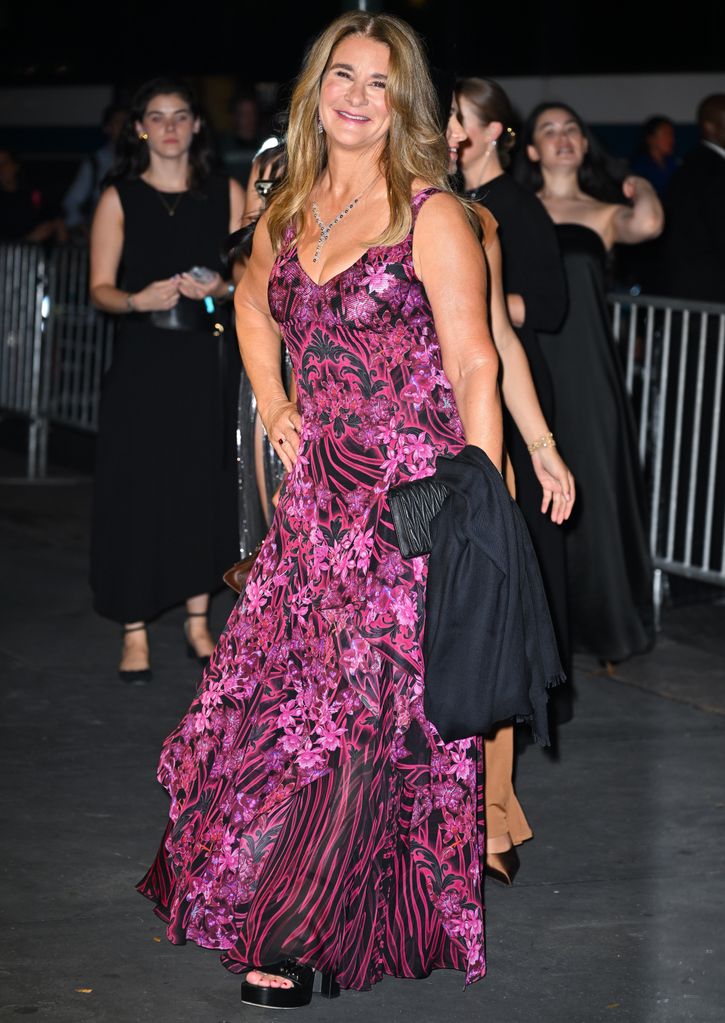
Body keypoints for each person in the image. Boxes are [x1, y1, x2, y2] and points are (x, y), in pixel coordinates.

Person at [138, 11, 569, 1008]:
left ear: (402, 102)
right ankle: (316, 899)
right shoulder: (286, 209)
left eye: (380, 82)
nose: (358, 97)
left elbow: (473, 358)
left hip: (407, 507)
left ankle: (295, 931)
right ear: (314, 89)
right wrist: (280, 402)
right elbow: (250, 306)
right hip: (314, 507)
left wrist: (477, 494)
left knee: (364, 715)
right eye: (344, 75)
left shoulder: (433, 215)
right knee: (287, 708)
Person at [445, 95, 575, 883]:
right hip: (374, 457)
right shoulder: (351, 212)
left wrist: (543, 447)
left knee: (478, 630)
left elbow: (498, 340)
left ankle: (490, 817)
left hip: (469, 444)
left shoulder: (477, 221)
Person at [89, 77, 245, 683]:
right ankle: (133, 628)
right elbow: (99, 289)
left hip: (205, 358)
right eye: (158, 117)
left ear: (197, 126)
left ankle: (198, 618)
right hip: (144, 360)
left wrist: (222, 289)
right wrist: (136, 298)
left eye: (181, 116)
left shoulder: (225, 194)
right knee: (137, 485)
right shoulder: (119, 196)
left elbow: (247, 279)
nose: (171, 127)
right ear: (140, 128)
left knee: (201, 485)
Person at [516, 101, 663, 664]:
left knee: (593, 486)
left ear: (583, 143)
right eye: (548, 131)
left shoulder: (601, 212)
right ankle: (541, 626)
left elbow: (647, 223)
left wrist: (638, 183)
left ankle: (604, 625)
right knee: (533, 490)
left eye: (570, 129)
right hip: (527, 362)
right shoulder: (514, 209)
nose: (561, 138)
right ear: (530, 149)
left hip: (587, 366)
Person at [452, 77, 571, 701]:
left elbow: (548, 306)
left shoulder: (514, 207)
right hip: (474, 373)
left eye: (461, 118)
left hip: (508, 372)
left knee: (524, 531)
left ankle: (533, 680)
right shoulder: (451, 200)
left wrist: (463, 301)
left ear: (494, 130)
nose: (449, 129)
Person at [663, 93, 725, 302]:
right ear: (710, 127)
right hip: (710, 296)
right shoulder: (713, 172)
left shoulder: (691, 167)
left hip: (690, 293)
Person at [62, 103, 128, 239]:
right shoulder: (96, 162)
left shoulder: (146, 159)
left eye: (126, 122)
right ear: (107, 128)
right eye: (118, 122)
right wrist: (84, 228)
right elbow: (71, 202)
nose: (123, 127)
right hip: (103, 235)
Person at [0, 147, 66, 243]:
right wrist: (30, 239)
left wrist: (62, 248)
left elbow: (56, 222)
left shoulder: (33, 193)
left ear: (15, 166)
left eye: (4, 163)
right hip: (7, 255)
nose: (1, 169)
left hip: (37, 255)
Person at [630, 115, 678, 199]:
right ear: (650, 139)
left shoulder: (673, 163)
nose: (671, 140)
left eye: (671, 135)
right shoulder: (639, 166)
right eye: (666, 134)